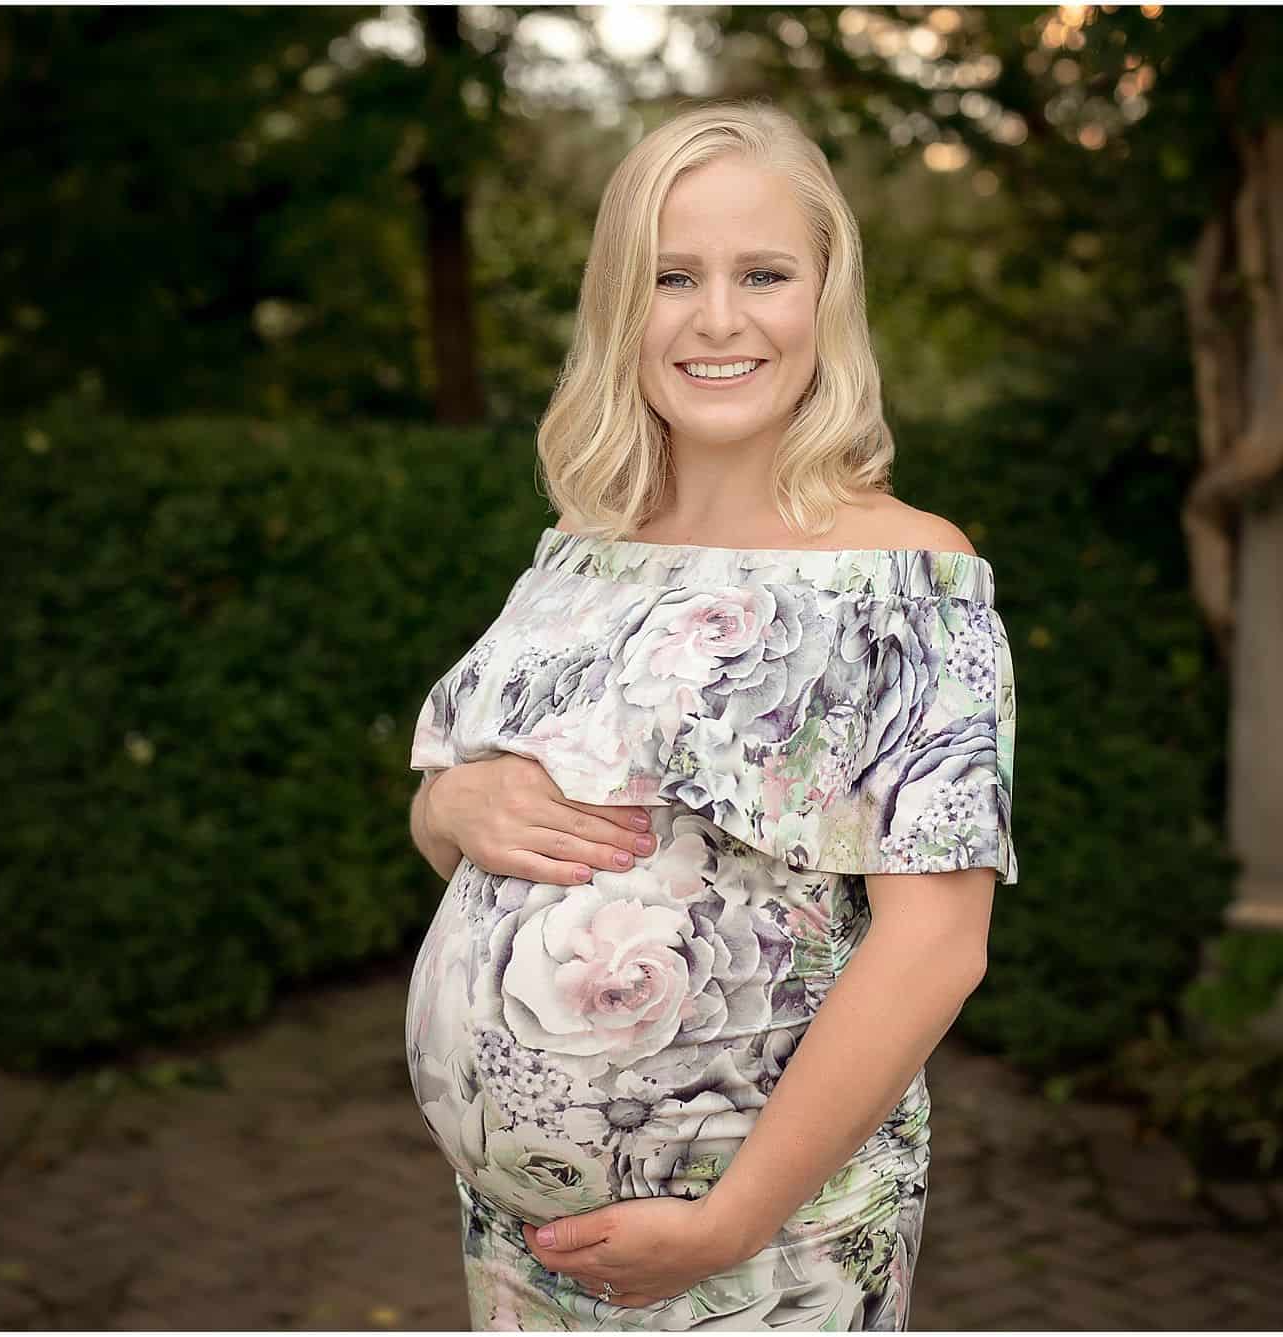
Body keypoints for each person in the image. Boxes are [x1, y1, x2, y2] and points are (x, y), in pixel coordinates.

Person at [403, 98, 1017, 1332]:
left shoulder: (904, 577)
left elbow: (936, 944)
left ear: (824, 298)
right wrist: (447, 799)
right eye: (672, 275)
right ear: (620, 305)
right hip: (521, 1248)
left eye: (763, 274)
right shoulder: (577, 555)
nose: (718, 317)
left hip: (764, 1246)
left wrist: (730, 1219)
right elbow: (466, 831)